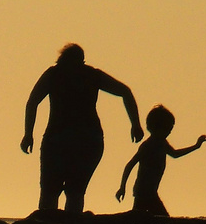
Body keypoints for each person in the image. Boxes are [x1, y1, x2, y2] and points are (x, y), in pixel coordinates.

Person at [21, 43, 142, 214]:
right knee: (71, 191)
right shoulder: (88, 75)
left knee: (57, 191)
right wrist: (135, 124)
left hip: (69, 139)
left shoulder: (56, 74)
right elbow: (125, 91)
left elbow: (32, 101)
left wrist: (28, 134)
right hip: (81, 139)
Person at [114, 105, 206, 216]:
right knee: (157, 218)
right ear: (156, 127)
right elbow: (130, 165)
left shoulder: (162, 143)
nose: (169, 132)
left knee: (145, 218)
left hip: (152, 191)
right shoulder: (148, 145)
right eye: (167, 129)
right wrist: (122, 187)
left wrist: (196, 146)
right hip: (144, 192)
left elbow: (175, 154)